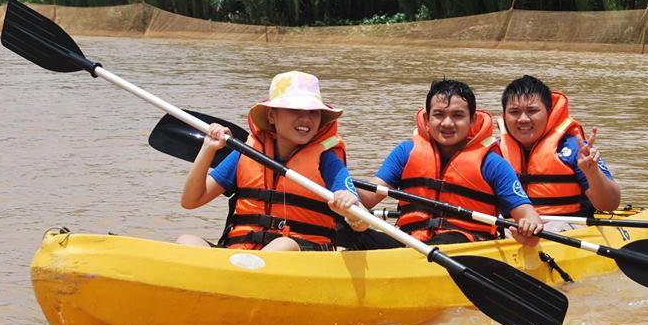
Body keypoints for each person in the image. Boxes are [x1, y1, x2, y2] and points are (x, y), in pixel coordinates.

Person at [177, 71, 366, 251]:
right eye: (295, 110)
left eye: (313, 112)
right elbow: (191, 201)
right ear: (272, 116)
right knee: (187, 241)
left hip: (303, 255)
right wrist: (208, 148)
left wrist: (350, 209)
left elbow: (361, 224)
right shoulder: (248, 153)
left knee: (283, 245)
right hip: (242, 252)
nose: (306, 119)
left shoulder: (326, 160)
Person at [355, 79, 543, 248]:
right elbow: (368, 197)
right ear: (427, 119)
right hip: (409, 241)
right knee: (343, 230)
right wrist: (341, 192)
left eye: (457, 115)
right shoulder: (406, 152)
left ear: (472, 121)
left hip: (463, 246)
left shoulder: (492, 164)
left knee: (445, 243)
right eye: (439, 114)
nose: (447, 123)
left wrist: (529, 226)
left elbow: (527, 213)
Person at [499, 75, 621, 222]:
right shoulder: (494, 153)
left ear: (549, 113)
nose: (523, 119)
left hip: (566, 228)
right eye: (514, 112)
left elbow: (610, 205)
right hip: (510, 228)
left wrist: (593, 173)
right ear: (504, 115)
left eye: (532, 111)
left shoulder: (575, 150)